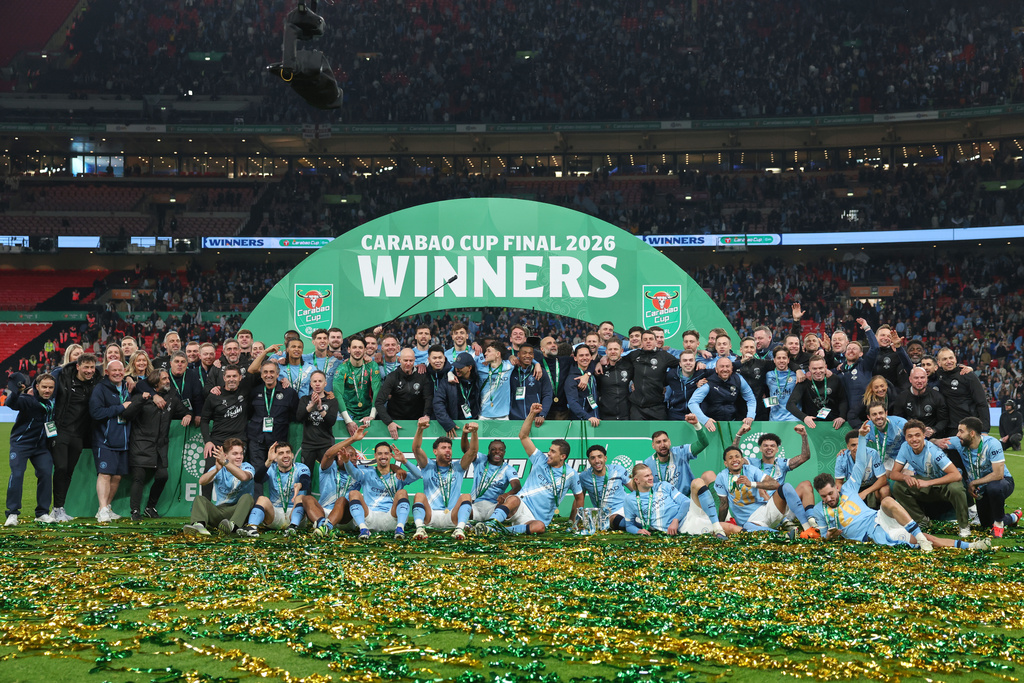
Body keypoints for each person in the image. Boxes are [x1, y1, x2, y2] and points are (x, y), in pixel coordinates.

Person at [811, 423, 990, 551]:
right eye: (824, 497)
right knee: (929, 540)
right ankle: (970, 545)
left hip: (878, 518)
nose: (828, 499)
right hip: (874, 533)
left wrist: (863, 437)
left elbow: (860, 463)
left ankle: (919, 535)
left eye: (830, 493)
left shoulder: (848, 488)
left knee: (887, 500)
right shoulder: (820, 511)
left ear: (836, 487)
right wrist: (830, 536)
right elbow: (825, 536)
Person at [476, 403, 584, 535]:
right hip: (521, 504)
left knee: (539, 527)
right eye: (549, 450)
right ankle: (491, 524)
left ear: (563, 456)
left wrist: (574, 522)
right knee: (513, 499)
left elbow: (579, 498)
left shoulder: (571, 474)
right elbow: (523, 436)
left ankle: (500, 531)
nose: (548, 453)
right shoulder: (540, 459)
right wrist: (532, 413)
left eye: (553, 452)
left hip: (537, 517)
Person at [933, 417, 1021, 537]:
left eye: (961, 431)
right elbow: (933, 441)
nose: (957, 434)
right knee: (986, 523)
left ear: (972, 433)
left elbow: (998, 474)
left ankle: (999, 524)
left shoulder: (992, 444)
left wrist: (973, 483)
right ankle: (1013, 517)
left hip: (1003, 482)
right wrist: (936, 441)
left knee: (994, 488)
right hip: (981, 488)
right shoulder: (959, 442)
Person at [121, 368, 189, 520]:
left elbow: (184, 410)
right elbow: (127, 414)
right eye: (164, 379)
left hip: (160, 446)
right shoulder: (142, 397)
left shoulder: (172, 399)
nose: (168, 381)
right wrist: (139, 400)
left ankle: (150, 507)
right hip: (141, 444)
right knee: (139, 477)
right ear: (155, 383)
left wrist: (188, 414)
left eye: (167, 378)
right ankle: (135, 511)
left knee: (162, 476)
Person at [713, 445, 819, 536]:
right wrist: (720, 526)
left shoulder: (751, 469)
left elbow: (775, 484)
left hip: (766, 511)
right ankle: (784, 535)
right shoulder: (722, 477)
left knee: (785, 487)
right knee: (747, 527)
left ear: (742, 459)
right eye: (730, 458)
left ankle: (807, 528)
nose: (735, 459)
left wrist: (752, 484)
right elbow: (723, 504)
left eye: (737, 457)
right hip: (749, 521)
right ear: (726, 463)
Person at [889, 419, 970, 537]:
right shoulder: (905, 447)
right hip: (926, 482)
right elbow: (893, 474)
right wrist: (905, 478)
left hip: (946, 483)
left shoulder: (933, 451)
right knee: (898, 486)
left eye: (917, 435)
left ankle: (964, 526)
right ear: (906, 438)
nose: (914, 439)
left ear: (923, 436)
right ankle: (922, 521)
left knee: (956, 488)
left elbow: (956, 475)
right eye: (910, 436)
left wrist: (929, 483)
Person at [408, 418, 478, 540]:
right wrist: (419, 429)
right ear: (435, 451)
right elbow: (416, 449)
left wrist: (474, 433)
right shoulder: (427, 466)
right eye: (444, 447)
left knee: (466, 496)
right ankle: (420, 529)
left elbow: (472, 451)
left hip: (452, 516)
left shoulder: (458, 467)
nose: (448, 450)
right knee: (419, 495)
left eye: (449, 448)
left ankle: (459, 530)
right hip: (431, 516)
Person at [624, 464, 740, 537]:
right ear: (637, 480)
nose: (650, 478)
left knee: (697, 482)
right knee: (730, 529)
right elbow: (629, 524)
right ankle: (749, 531)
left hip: (688, 513)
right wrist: (637, 531)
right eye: (646, 476)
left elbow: (685, 502)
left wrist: (675, 520)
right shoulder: (630, 500)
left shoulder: (663, 486)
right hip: (685, 525)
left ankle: (716, 526)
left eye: (650, 474)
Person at [303, 427, 379, 536]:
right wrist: (353, 439)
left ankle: (326, 528)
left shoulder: (359, 472)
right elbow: (328, 455)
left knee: (342, 500)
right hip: (323, 513)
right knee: (307, 498)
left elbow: (382, 469)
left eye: (355, 456)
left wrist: (396, 468)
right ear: (339, 456)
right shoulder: (329, 468)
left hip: (345, 517)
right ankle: (322, 526)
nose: (354, 458)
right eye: (350, 455)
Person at [50, 352, 99, 523]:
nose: (89, 370)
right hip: (61, 431)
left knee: (69, 472)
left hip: (79, 435)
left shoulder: (95, 383)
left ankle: (59, 508)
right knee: (61, 468)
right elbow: (46, 383)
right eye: (86, 367)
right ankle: (55, 508)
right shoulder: (63, 378)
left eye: (92, 367)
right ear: (78, 366)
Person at [3, 373, 57, 526]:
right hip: (21, 445)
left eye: (50, 387)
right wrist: (16, 391)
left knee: (46, 474)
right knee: (18, 474)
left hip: (40, 448)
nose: (47, 390)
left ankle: (42, 513)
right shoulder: (27, 400)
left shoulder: (51, 403)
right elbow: (11, 403)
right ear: (37, 387)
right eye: (44, 387)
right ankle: (12, 514)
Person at [245, 347, 300, 496]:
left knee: (280, 474)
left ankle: (278, 505)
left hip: (278, 442)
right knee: (257, 473)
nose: (268, 375)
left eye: (271, 372)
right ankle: (258, 507)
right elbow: (249, 412)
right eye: (265, 372)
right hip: (257, 439)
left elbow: (295, 414)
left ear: (277, 374)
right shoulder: (254, 391)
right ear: (261, 375)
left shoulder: (289, 392)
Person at [343, 441, 419, 539]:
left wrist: (404, 461)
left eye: (386, 453)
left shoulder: (399, 475)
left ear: (391, 455)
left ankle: (400, 528)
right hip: (369, 518)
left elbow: (418, 475)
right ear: (375, 455)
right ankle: (363, 529)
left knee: (402, 492)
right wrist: (346, 462)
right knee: (354, 493)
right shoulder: (367, 473)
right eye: (380, 454)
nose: (383, 456)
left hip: (391, 518)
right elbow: (353, 472)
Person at [182, 438, 255, 536]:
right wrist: (216, 470)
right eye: (235, 454)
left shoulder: (247, 466)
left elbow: (244, 477)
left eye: (241, 453)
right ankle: (199, 526)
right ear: (225, 455)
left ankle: (233, 526)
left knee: (248, 498)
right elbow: (202, 481)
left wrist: (225, 462)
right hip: (221, 512)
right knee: (199, 499)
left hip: (239, 511)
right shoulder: (220, 468)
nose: (239, 457)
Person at [89, 359, 133, 522]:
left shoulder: (126, 387)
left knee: (117, 477)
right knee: (105, 474)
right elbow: (96, 412)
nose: (117, 373)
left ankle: (106, 507)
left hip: (123, 440)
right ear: (107, 372)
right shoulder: (101, 388)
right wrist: (121, 408)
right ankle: (101, 509)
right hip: (105, 440)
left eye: (120, 371)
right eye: (113, 370)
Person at [238, 442, 311, 537]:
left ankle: (293, 527)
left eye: (288, 452)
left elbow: (306, 481)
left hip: (294, 513)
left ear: (292, 455)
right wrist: (268, 461)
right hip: (275, 514)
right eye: (281, 453)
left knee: (300, 497)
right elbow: (258, 479)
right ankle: (251, 528)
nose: (285, 456)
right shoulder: (271, 468)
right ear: (275, 458)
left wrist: (300, 484)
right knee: (262, 499)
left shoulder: (301, 467)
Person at [199, 365, 251, 495]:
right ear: (223, 378)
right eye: (228, 376)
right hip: (217, 442)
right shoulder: (214, 396)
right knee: (210, 472)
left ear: (240, 378)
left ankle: (239, 507)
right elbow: (204, 420)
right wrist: (208, 441)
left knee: (239, 474)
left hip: (239, 442)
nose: (231, 379)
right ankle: (205, 507)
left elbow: (255, 370)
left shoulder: (246, 391)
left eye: (234, 376)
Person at [644, 415, 711, 494]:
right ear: (653, 445)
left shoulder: (681, 452)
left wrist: (696, 424)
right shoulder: (648, 463)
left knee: (709, 475)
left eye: (665, 441)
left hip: (685, 499)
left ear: (669, 442)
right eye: (658, 442)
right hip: (661, 502)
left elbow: (703, 444)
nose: (662, 445)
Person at [687, 357, 756, 432]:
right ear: (716, 369)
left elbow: (750, 399)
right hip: (711, 425)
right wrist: (705, 420)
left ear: (732, 368)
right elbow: (692, 402)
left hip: (732, 423)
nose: (725, 369)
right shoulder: (707, 383)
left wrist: (750, 416)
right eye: (722, 366)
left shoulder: (739, 379)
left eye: (727, 366)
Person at [622, 330, 676, 420]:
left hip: (657, 406)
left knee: (661, 433)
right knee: (639, 433)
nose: (648, 341)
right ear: (641, 342)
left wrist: (664, 382)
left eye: (651, 339)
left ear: (655, 341)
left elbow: (681, 365)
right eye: (645, 339)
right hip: (637, 407)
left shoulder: (664, 356)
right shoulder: (634, 355)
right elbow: (619, 363)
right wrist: (634, 380)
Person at [935, 348, 989, 436]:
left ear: (955, 359)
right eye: (944, 359)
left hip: (968, 427)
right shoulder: (937, 375)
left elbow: (982, 403)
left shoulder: (967, 375)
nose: (949, 361)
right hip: (949, 428)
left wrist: (984, 430)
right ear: (939, 363)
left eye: (951, 358)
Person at [334, 337, 380, 436]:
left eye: (360, 347)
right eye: (354, 347)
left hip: (368, 412)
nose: (357, 350)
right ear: (349, 349)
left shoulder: (372, 366)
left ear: (365, 350)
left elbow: (377, 391)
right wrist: (348, 420)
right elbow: (338, 395)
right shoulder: (342, 368)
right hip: (347, 412)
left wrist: (372, 416)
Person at [577, 444, 630, 531]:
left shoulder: (618, 470)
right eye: (593, 458)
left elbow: (635, 490)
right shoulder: (584, 476)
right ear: (589, 461)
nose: (597, 461)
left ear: (605, 458)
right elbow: (578, 499)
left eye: (600, 456)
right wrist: (574, 521)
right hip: (603, 515)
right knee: (614, 520)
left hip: (623, 508)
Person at [786, 357, 848, 430]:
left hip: (834, 424)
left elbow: (843, 400)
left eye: (821, 368)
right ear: (809, 369)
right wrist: (804, 417)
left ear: (826, 367)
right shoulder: (804, 382)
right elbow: (790, 404)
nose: (818, 371)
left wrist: (842, 417)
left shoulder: (835, 379)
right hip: (813, 425)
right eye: (814, 369)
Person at [833, 428, 889, 509]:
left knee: (885, 490)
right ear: (848, 446)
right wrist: (849, 494)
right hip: (853, 487)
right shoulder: (841, 457)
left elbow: (883, 479)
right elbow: (838, 482)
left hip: (872, 486)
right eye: (853, 445)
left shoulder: (873, 454)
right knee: (835, 492)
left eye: (860, 444)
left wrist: (865, 492)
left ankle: (884, 516)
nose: (857, 448)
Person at [296, 370, 339, 472]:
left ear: (325, 383)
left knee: (328, 474)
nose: (317, 384)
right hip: (308, 445)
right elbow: (299, 418)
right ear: (311, 384)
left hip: (326, 444)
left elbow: (331, 422)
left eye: (320, 381)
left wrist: (320, 408)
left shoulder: (332, 401)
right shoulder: (304, 400)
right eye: (314, 381)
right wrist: (311, 405)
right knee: (305, 474)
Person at [434, 352, 482, 436]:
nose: (457, 369)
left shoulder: (478, 381)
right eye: (456, 366)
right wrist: (447, 423)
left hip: (475, 424)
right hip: (454, 426)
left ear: (469, 368)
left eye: (460, 367)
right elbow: (438, 403)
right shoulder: (447, 382)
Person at [892, 367, 948, 436]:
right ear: (910, 379)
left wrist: (934, 430)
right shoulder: (902, 397)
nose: (919, 381)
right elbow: (897, 420)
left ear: (927, 379)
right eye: (916, 378)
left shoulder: (937, 397)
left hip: (931, 437)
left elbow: (943, 420)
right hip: (909, 436)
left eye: (922, 377)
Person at [508, 343, 552, 422]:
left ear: (533, 356)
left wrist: (542, 414)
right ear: (518, 354)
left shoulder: (540, 372)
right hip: (513, 419)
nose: (528, 356)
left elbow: (547, 394)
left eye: (530, 353)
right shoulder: (511, 371)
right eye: (524, 353)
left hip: (535, 418)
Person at [864, 400, 907, 472]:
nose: (878, 417)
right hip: (887, 456)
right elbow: (859, 448)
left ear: (886, 413)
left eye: (880, 413)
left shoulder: (901, 423)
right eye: (874, 414)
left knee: (905, 473)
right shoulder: (867, 428)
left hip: (905, 456)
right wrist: (845, 452)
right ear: (869, 417)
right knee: (879, 474)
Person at [663, 350, 707, 420]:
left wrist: (705, 382)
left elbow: (718, 376)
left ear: (695, 362)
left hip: (695, 415)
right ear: (680, 363)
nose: (688, 363)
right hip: (675, 415)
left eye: (691, 360)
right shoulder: (671, 375)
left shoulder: (702, 374)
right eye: (685, 360)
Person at [475, 341, 514, 420]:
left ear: (497, 354)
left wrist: (537, 364)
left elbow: (525, 358)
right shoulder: (480, 368)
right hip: (483, 415)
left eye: (489, 351)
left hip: (503, 415)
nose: (485, 354)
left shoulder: (509, 366)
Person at [537, 335, 572, 419]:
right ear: (542, 349)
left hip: (562, 412)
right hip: (542, 411)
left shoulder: (566, 361)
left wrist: (587, 374)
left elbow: (586, 361)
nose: (553, 345)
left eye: (555, 343)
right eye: (549, 343)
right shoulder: (538, 363)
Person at [566, 344, 600, 426]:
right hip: (579, 422)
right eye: (581, 355)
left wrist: (595, 416)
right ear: (575, 358)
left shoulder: (592, 375)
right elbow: (572, 402)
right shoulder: (572, 379)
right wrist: (588, 417)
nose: (584, 358)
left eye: (587, 355)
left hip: (595, 420)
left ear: (591, 357)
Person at [765, 345, 800, 422]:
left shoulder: (797, 375)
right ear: (774, 360)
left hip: (794, 419)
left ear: (788, 360)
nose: (781, 361)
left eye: (784, 358)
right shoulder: (768, 375)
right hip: (774, 420)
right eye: (778, 358)